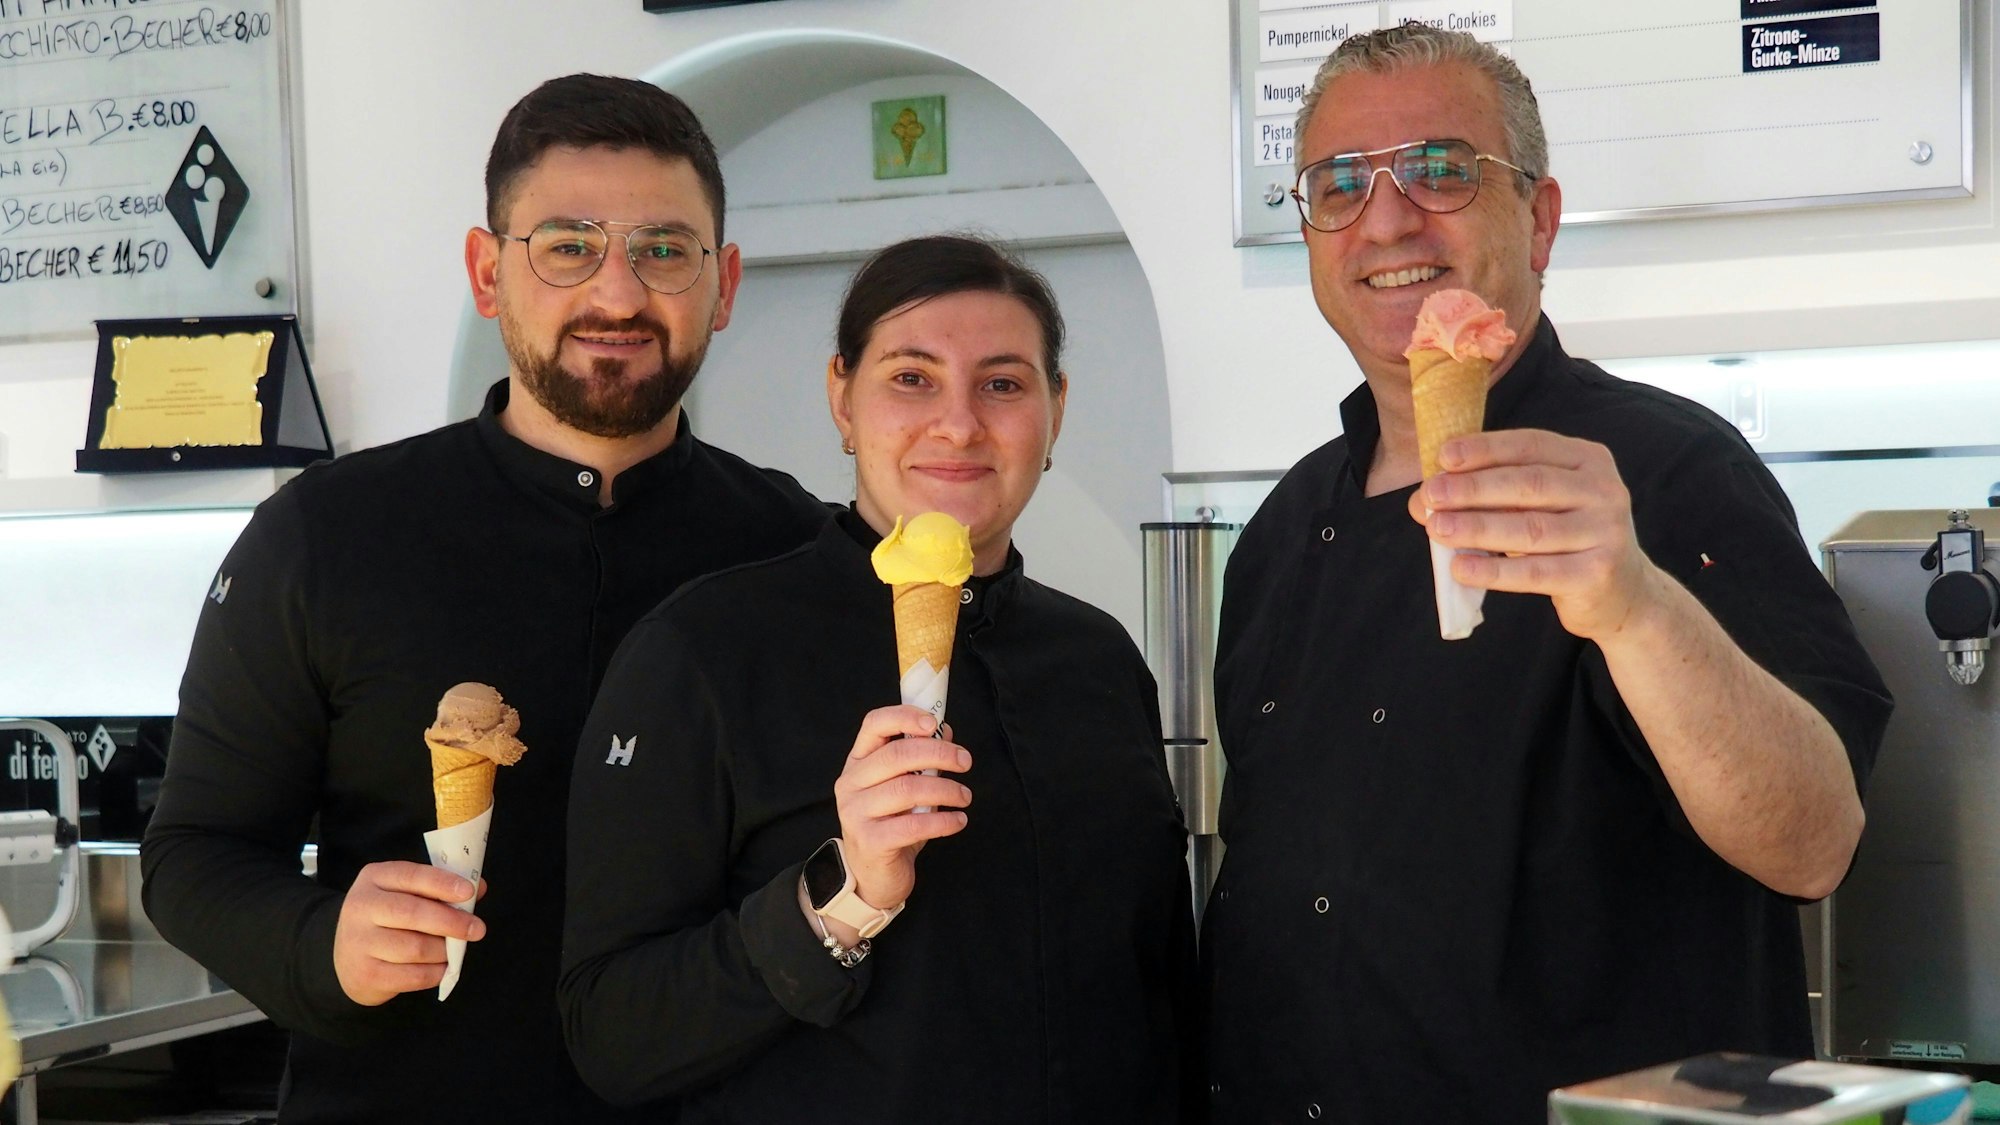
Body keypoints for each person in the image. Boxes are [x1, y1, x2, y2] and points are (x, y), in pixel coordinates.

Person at [1200, 25, 1892, 1123]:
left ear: (1537, 219)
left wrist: (1633, 605)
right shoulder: (1279, 535)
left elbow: (1813, 841)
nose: (1383, 218)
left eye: (1438, 171)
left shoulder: (1669, 471)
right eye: (1338, 183)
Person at [140, 74, 829, 1123]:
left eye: (664, 249)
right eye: (566, 244)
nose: (617, 293)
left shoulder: (798, 549)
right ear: (485, 271)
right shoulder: (326, 536)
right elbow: (195, 856)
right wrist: (322, 942)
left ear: (722, 283)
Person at [560, 235, 1197, 1122]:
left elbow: (1157, 986)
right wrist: (843, 897)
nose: (960, 423)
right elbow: (612, 1030)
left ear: (1056, 409)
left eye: (1004, 384)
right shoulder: (704, 652)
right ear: (842, 399)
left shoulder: (1097, 658)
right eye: (911, 377)